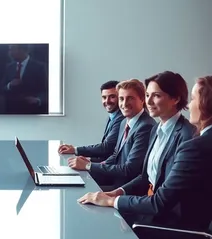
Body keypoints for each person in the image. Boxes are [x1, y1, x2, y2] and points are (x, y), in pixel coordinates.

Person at [78, 76, 212, 231]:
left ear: (175, 99)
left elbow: (162, 202)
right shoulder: (156, 129)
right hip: (152, 206)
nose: (148, 102)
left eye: (156, 95)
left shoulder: (189, 138)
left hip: (170, 222)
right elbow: (146, 177)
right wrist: (119, 192)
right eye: (148, 95)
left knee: (98, 225)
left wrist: (113, 201)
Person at [68, 79, 155, 190]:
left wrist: (89, 166)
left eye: (130, 98)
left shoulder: (145, 126)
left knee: (81, 190)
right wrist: (91, 163)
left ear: (142, 99)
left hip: (127, 188)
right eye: (121, 99)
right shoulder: (125, 121)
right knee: (74, 178)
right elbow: (115, 156)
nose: (124, 104)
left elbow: (129, 170)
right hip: (115, 179)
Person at [59, 80, 123, 161]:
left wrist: (76, 150)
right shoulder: (112, 116)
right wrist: (87, 160)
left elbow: (106, 148)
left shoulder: (121, 118)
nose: (107, 101)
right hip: (105, 163)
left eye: (112, 97)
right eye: (104, 97)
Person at [1, 44, 48, 114]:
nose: (9, 53)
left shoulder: (39, 67)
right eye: (9, 49)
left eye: (12, 49)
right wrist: (10, 85)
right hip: (11, 112)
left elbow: (46, 89)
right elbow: (1, 87)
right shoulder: (9, 67)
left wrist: (38, 100)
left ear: (23, 50)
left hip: (32, 111)